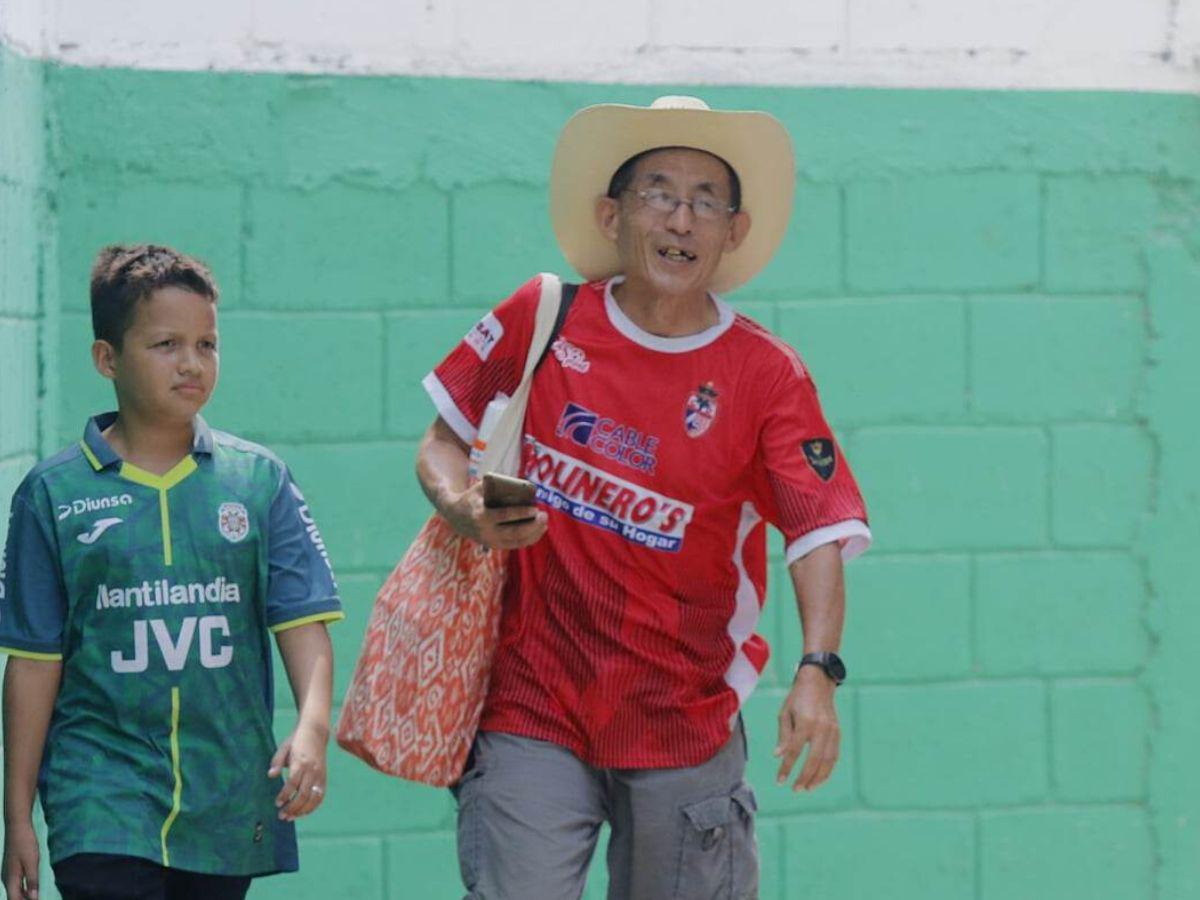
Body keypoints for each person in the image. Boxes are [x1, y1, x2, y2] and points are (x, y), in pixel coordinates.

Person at [417, 95, 872, 899]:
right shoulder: (545, 317)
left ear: (734, 231)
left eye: (707, 201)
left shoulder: (766, 374)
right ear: (612, 214)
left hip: (684, 721)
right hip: (532, 706)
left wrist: (818, 672)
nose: (682, 218)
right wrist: (460, 505)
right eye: (660, 192)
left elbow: (818, 529)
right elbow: (442, 440)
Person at [1, 245, 343, 900]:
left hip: (226, 797)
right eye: (165, 344)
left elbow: (302, 623)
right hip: (97, 796)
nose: (191, 362)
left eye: (206, 343)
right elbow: (34, 663)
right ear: (108, 359)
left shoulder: (259, 481)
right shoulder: (52, 494)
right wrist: (18, 816)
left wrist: (312, 727)